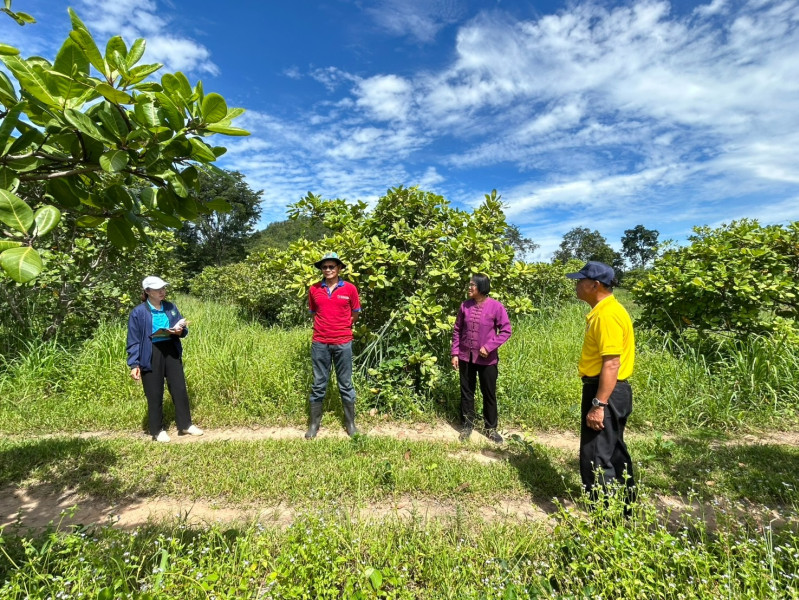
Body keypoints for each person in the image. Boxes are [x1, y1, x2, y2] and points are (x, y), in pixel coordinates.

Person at [566, 261, 636, 506]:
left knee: (596, 456)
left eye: (580, 281)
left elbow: (612, 363)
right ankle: (625, 508)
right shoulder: (607, 310)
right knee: (613, 450)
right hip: (612, 390)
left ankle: (603, 517)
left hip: (605, 390)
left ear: (595, 285)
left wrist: (598, 404)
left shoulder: (606, 315)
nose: (576, 285)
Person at [126, 276, 204, 442]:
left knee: (179, 388)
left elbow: (181, 328)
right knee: (154, 392)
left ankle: (185, 425)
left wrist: (180, 331)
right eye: (157, 289)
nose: (162, 291)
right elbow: (133, 340)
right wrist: (134, 364)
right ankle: (157, 430)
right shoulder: (138, 312)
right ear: (148, 291)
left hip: (171, 349)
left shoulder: (170, 307)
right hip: (150, 352)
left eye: (163, 288)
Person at [305, 252, 361, 439]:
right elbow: (314, 313)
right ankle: (314, 424)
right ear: (321, 269)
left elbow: (355, 313)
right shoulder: (314, 289)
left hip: (343, 342)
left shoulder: (350, 289)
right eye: (325, 267)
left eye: (331, 266)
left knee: (345, 384)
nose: (328, 270)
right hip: (320, 342)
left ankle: (350, 424)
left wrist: (342, 327)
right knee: (319, 384)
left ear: (339, 268)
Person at [451, 273, 512, 444]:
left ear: (482, 287)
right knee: (467, 392)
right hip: (465, 357)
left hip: (487, 360)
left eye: (472, 285)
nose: (469, 287)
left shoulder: (496, 307)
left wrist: (489, 346)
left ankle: (490, 429)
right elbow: (457, 330)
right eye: (469, 284)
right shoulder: (465, 306)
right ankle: (467, 425)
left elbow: (506, 331)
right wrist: (455, 353)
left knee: (488, 393)